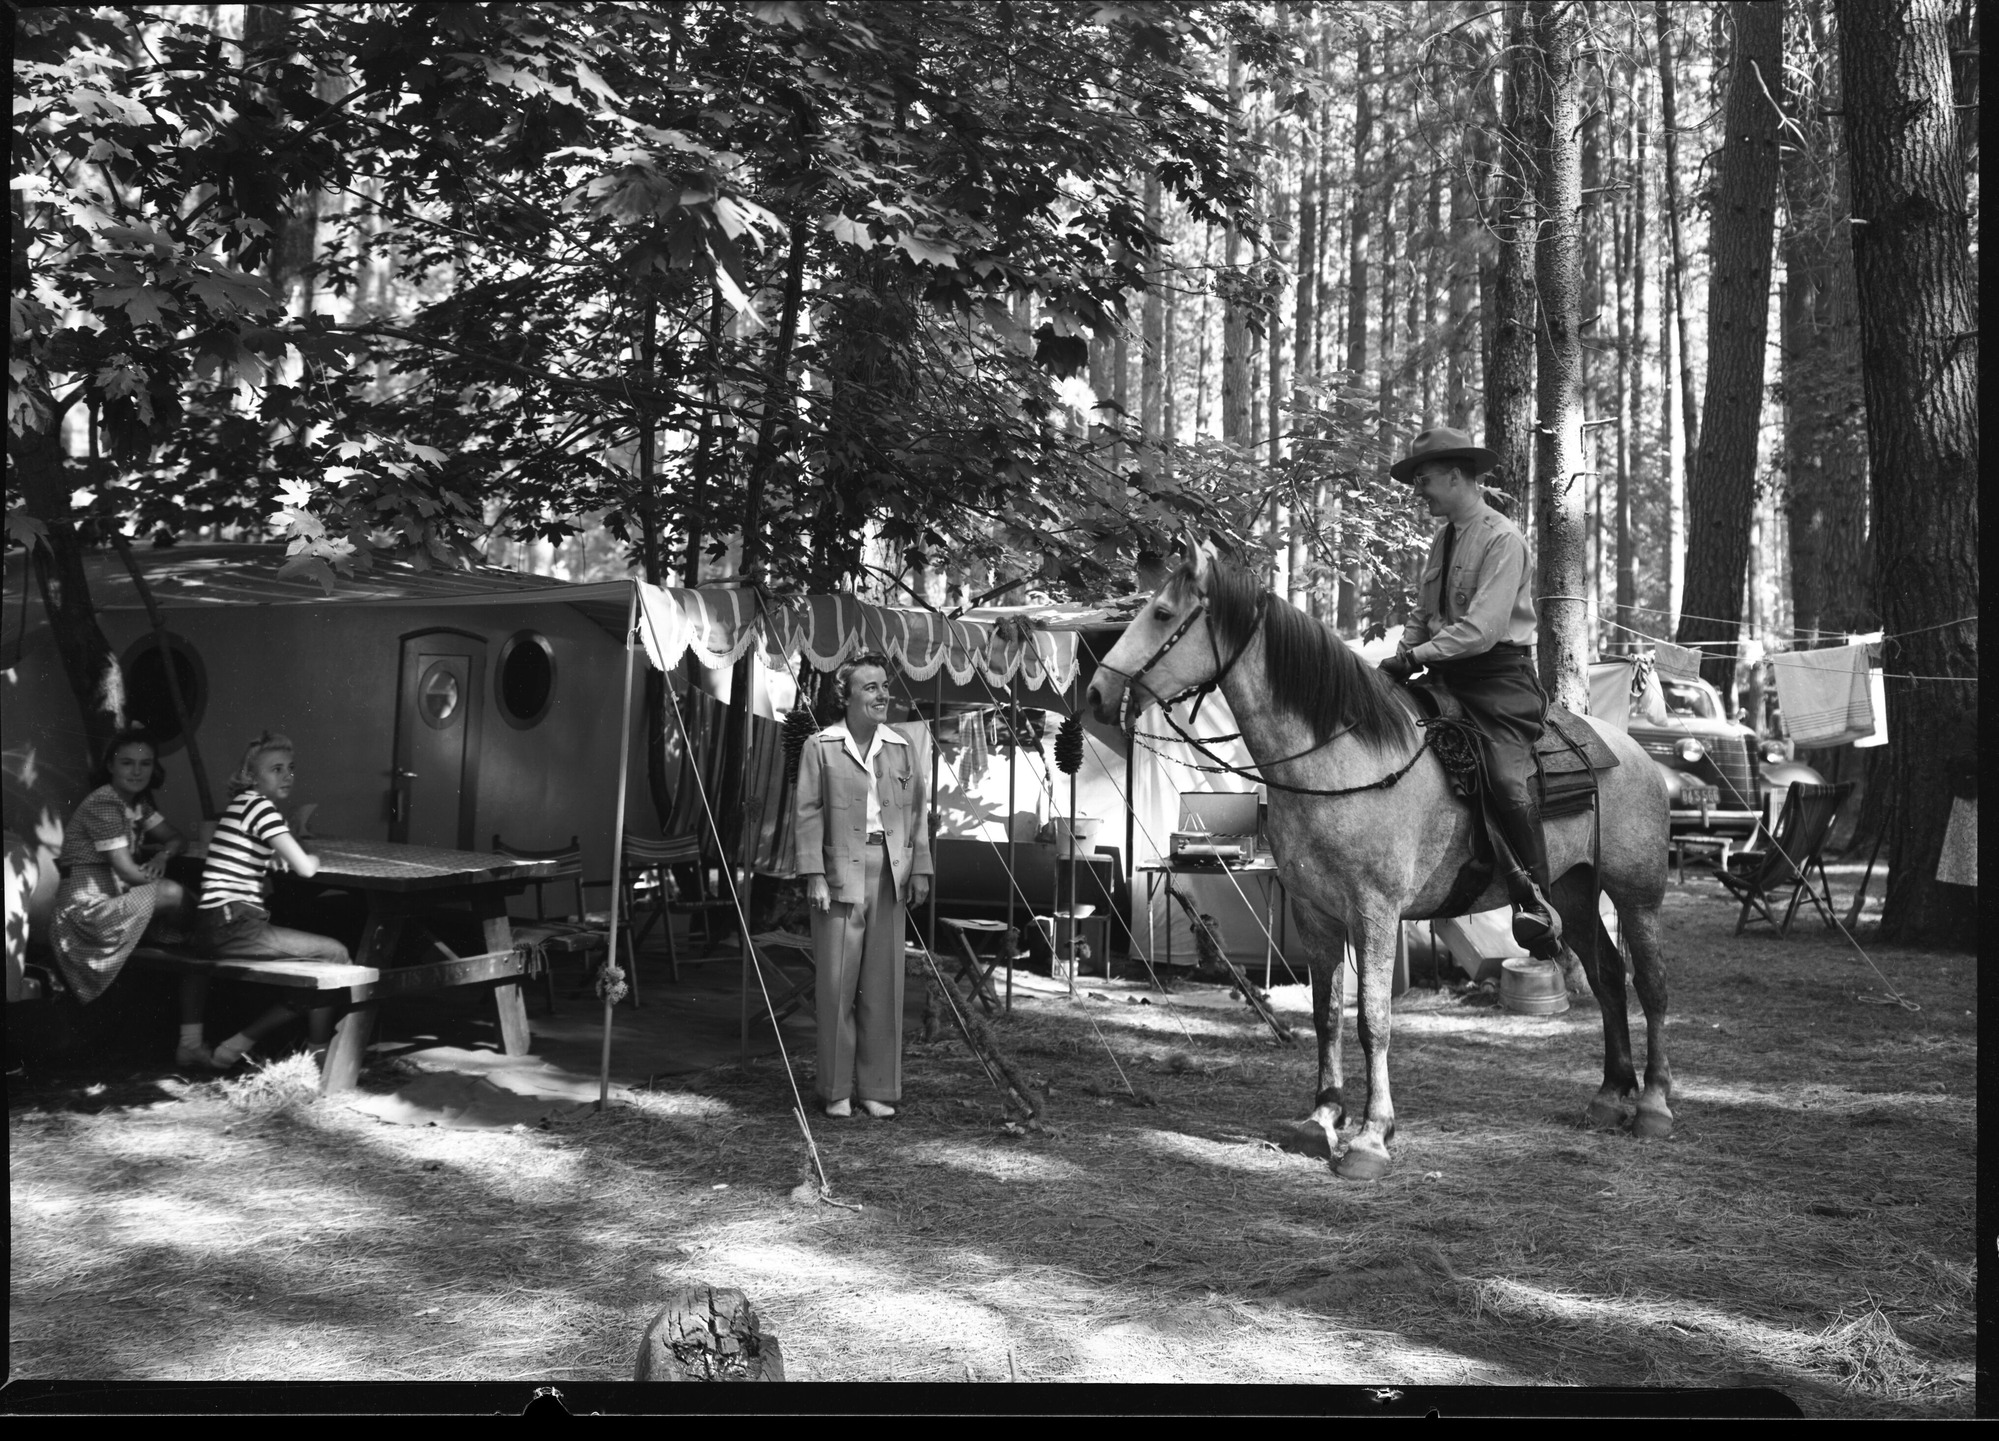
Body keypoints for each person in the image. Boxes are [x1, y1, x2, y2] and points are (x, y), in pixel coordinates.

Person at [1379, 425, 1564, 960]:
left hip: (1496, 680)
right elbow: (1424, 613)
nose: (1420, 490)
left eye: (1426, 479)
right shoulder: (1445, 537)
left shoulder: (1503, 538)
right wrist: (1402, 654)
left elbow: (1482, 629)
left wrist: (1416, 657)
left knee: (1506, 779)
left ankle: (1535, 901)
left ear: (1457, 476)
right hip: (1445, 673)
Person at [791, 655, 933, 1119]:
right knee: (836, 984)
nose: (882, 694)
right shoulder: (821, 745)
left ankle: (877, 1089)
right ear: (846, 696)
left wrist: (922, 869)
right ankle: (835, 1091)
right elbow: (808, 813)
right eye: (870, 687)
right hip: (837, 875)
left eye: (885, 686)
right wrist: (813, 872)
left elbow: (917, 816)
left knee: (883, 985)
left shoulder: (903, 747)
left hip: (890, 870)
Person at [190, 732, 349, 1070]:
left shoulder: (241, 804)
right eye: (276, 769)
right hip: (235, 925)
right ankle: (317, 1055)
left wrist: (267, 859)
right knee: (335, 954)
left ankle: (236, 1045)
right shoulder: (262, 807)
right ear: (251, 777)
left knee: (318, 957)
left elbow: (251, 855)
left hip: (214, 922)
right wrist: (314, 857)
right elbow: (306, 868)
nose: (287, 775)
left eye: (290, 768)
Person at [49, 727, 207, 1060]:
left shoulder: (137, 805)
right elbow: (127, 872)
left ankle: (190, 1042)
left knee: (195, 940)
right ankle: (218, 925)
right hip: (86, 916)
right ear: (110, 766)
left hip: (115, 906)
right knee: (175, 897)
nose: (137, 771)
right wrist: (157, 876)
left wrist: (163, 855)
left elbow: (175, 838)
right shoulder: (104, 804)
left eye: (145, 764)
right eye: (127, 763)